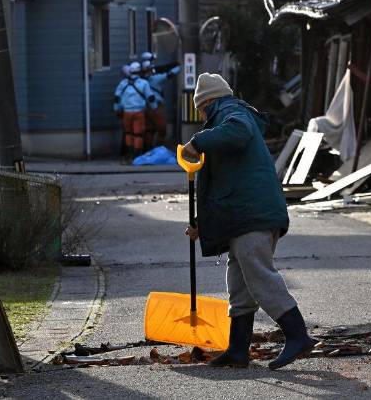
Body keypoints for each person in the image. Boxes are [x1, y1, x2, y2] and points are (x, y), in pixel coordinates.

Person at [181, 73, 315, 370]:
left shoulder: (232, 113)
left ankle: (297, 335)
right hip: (245, 215)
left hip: (253, 215)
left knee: (258, 275)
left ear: (208, 102)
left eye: (201, 109)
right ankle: (238, 349)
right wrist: (201, 224)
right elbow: (221, 189)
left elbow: (238, 132)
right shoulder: (223, 120)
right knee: (239, 283)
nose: (202, 116)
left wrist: (198, 141)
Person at [113, 62, 156, 161]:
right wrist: (153, 108)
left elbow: (116, 98)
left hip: (126, 112)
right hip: (139, 112)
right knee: (138, 134)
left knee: (128, 133)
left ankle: (129, 154)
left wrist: (116, 109)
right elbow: (151, 98)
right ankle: (137, 155)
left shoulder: (123, 83)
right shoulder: (144, 83)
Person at [141, 58, 180, 149]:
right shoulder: (155, 79)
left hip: (144, 107)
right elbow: (170, 74)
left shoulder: (140, 80)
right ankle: (159, 149)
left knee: (150, 130)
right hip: (156, 107)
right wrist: (180, 67)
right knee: (162, 129)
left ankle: (148, 150)